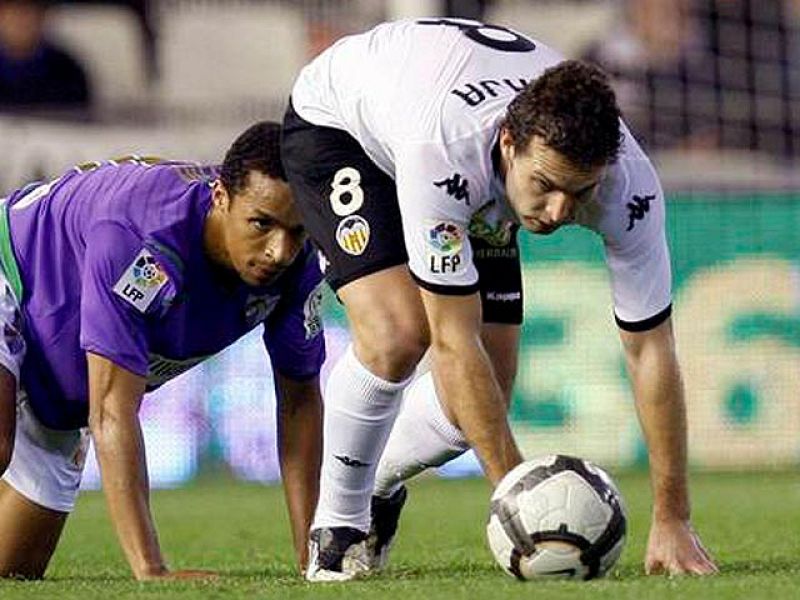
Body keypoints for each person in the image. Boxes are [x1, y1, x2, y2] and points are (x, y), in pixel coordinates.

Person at [281, 18, 717, 580]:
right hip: (341, 125)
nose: (559, 211)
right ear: (510, 143)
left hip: (462, 150)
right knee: (399, 334)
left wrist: (673, 515)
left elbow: (651, 350)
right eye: (546, 185)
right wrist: (524, 510)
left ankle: (376, 483)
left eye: (578, 192)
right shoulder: (446, 149)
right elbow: (451, 342)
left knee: (484, 396)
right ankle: (337, 530)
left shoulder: (630, 186)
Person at [0, 121, 324, 579]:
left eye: (298, 230)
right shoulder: (143, 238)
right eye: (261, 224)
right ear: (220, 198)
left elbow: (300, 403)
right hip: (8, 270)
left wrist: (314, 554)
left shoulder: (299, 265)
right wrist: (151, 569)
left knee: (12, 569)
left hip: (58, 368)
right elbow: (111, 410)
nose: (279, 251)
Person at [0, 0, 91, 113]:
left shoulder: (67, 70)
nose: (21, 21)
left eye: (29, 13)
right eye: (13, 13)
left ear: (43, 16)